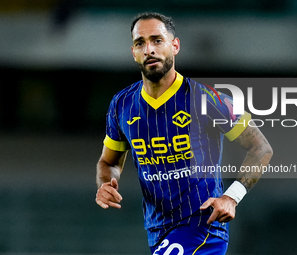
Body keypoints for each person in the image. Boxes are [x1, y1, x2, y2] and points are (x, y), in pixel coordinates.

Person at [95, 12, 273, 254]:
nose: (149, 49)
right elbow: (108, 161)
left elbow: (261, 148)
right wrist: (106, 183)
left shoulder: (208, 99)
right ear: (133, 52)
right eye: (140, 43)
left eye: (157, 40)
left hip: (203, 225)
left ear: (174, 45)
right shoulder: (121, 105)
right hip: (157, 231)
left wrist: (232, 197)